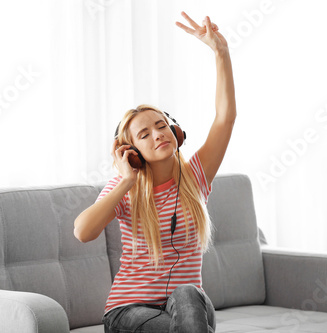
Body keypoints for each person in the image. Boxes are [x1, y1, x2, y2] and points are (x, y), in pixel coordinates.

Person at [74, 11, 236, 333]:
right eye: (144, 134)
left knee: (188, 292)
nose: (157, 134)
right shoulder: (126, 190)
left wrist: (221, 51)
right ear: (132, 151)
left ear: (176, 133)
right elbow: (83, 231)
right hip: (128, 311)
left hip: (190, 308)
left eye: (161, 126)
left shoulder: (196, 178)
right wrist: (127, 180)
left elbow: (225, 118)